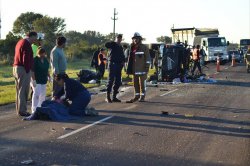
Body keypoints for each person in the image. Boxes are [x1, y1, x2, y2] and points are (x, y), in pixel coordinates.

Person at [13, 31, 38, 116]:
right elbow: (26, 59)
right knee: (23, 91)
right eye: (35, 37)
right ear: (31, 36)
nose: (36, 40)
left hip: (16, 67)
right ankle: (22, 111)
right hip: (23, 68)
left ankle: (19, 110)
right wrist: (29, 70)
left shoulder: (20, 42)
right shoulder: (26, 44)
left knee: (19, 90)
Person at [126, 32, 150, 103]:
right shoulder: (132, 47)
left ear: (140, 39)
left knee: (142, 84)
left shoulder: (144, 47)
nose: (135, 40)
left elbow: (148, 58)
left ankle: (142, 97)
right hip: (134, 70)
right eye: (134, 39)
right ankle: (136, 96)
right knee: (135, 84)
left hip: (142, 69)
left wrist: (147, 67)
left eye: (136, 39)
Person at [105, 34, 125, 103]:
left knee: (118, 81)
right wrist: (112, 42)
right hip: (112, 64)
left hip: (119, 65)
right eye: (118, 38)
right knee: (111, 80)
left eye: (120, 38)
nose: (119, 39)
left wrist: (123, 61)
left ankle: (114, 97)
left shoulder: (120, 47)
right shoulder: (113, 45)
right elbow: (106, 45)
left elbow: (122, 55)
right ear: (116, 38)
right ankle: (107, 97)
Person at [31, 47, 50, 113]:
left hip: (43, 80)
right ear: (38, 53)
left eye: (43, 54)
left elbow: (47, 69)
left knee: (43, 94)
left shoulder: (45, 60)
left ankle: (41, 107)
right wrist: (33, 80)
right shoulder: (35, 60)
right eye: (41, 54)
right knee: (36, 94)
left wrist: (49, 76)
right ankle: (34, 109)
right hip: (36, 80)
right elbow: (32, 71)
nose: (42, 55)